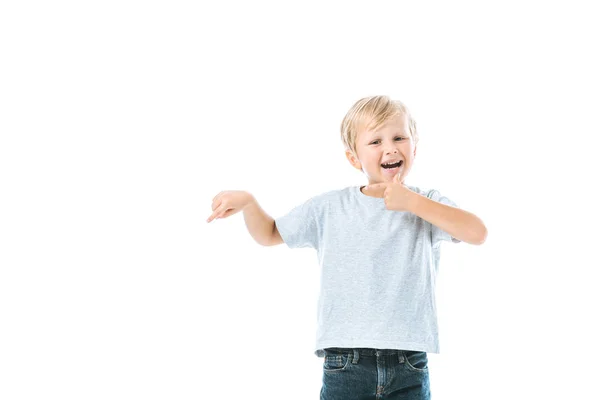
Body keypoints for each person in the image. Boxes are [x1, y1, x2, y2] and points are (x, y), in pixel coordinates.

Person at [207, 95, 487, 399]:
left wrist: (414, 203)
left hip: (409, 361)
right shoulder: (330, 207)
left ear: (414, 148)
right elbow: (271, 233)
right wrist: (249, 203)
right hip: (346, 363)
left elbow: (477, 232)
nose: (390, 147)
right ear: (354, 158)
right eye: (376, 141)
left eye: (398, 137)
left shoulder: (428, 204)